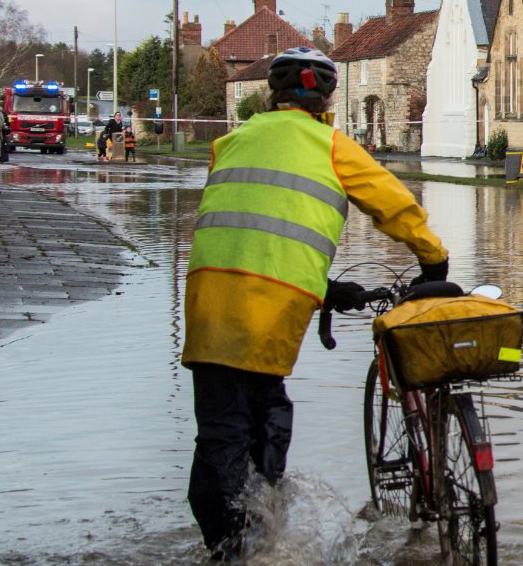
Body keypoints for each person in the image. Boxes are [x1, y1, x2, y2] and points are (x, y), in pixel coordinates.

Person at [182, 46, 450, 561]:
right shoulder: (331, 146)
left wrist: (325, 288)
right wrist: (434, 262)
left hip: (207, 300)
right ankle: (253, 539)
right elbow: (394, 205)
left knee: (222, 429)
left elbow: (251, 229)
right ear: (326, 98)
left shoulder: (229, 143)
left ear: (272, 95)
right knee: (261, 421)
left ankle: (233, 541)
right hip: (269, 308)